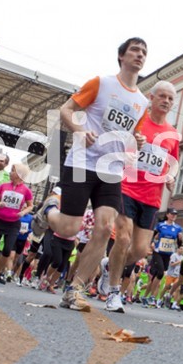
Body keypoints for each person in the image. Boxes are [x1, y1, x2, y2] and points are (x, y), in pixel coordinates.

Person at [35, 37, 150, 312]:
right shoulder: (101, 83)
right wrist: (79, 130)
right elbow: (65, 109)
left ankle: (75, 289)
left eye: (144, 52)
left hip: (111, 169)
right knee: (68, 228)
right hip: (82, 162)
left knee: (103, 228)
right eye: (135, 50)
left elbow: (134, 134)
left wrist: (138, 141)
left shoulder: (142, 101)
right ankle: (49, 209)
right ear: (121, 56)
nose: (140, 55)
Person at [104, 80, 180, 313]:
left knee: (138, 251)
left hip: (151, 197)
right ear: (151, 97)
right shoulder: (138, 122)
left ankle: (109, 266)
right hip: (126, 187)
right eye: (162, 96)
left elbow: (171, 163)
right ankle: (113, 292)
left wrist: (170, 177)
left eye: (170, 99)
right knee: (123, 239)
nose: (166, 101)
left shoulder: (173, 135)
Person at [145, 208, 183, 307]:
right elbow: (153, 236)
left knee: (158, 275)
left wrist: (180, 242)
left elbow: (179, 243)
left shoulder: (178, 228)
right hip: (158, 252)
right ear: (167, 215)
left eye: (175, 214)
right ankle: (152, 297)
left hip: (168, 254)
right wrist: (152, 243)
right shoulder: (161, 225)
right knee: (161, 272)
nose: (174, 216)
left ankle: (146, 296)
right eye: (172, 214)